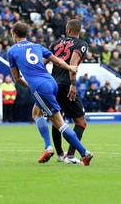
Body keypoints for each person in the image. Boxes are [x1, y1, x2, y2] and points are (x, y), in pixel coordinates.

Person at [8, 22, 93, 166]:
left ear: (14, 34)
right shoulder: (37, 46)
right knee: (37, 112)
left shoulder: (12, 51)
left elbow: (17, 78)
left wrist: (30, 86)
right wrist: (70, 68)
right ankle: (54, 149)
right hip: (50, 81)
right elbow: (58, 61)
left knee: (57, 121)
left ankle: (82, 152)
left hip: (40, 86)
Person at [37, 18, 89, 164]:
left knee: (56, 119)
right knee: (81, 122)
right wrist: (73, 84)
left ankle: (60, 154)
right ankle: (71, 156)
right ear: (79, 31)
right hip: (66, 84)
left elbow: (43, 63)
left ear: (68, 30)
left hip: (52, 84)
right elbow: (73, 64)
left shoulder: (55, 43)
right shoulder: (82, 44)